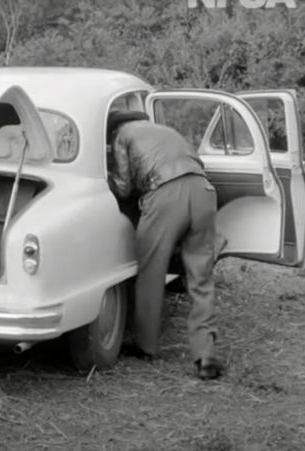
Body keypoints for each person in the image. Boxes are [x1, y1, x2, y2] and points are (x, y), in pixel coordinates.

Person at [106, 111, 225, 380]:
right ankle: (205, 356)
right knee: (201, 278)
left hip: (166, 194)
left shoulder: (122, 136)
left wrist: (108, 177)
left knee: (151, 271)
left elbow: (124, 187)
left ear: (114, 129)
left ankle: (145, 345)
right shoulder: (168, 131)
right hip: (204, 191)